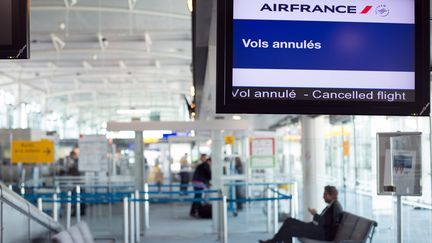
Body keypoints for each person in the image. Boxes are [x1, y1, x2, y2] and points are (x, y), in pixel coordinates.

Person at [259, 185, 343, 243]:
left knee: (289, 228)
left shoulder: (334, 207)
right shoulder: (333, 205)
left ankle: (272, 241)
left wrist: (315, 214)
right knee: (289, 221)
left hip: (321, 233)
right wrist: (315, 216)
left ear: (331, 195)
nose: (323, 196)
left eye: (325, 194)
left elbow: (325, 223)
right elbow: (325, 221)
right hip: (317, 229)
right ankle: (272, 241)